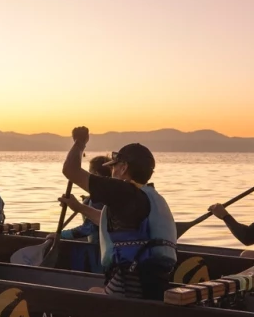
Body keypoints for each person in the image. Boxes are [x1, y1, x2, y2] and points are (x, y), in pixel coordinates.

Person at [60, 127, 178, 298]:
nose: (112, 172)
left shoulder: (122, 190)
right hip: (155, 285)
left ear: (123, 167)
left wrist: (80, 142)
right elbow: (107, 222)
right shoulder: (150, 196)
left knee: (92, 294)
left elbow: (70, 170)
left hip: (130, 285)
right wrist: (80, 208)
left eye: (114, 167)